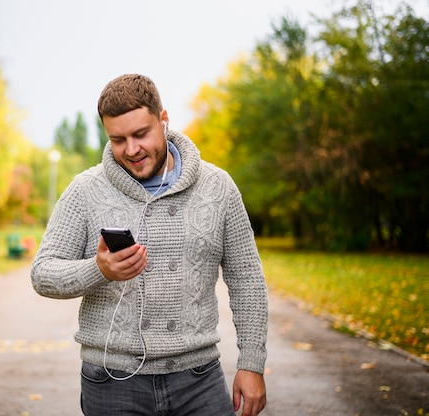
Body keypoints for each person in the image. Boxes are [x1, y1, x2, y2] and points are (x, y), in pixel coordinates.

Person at [31, 74, 268, 416]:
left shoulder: (218, 187)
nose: (131, 149)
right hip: (111, 382)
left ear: (164, 120)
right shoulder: (85, 190)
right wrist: (98, 269)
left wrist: (252, 362)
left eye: (141, 134)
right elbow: (42, 274)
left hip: (199, 379)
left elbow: (247, 278)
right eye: (118, 139)